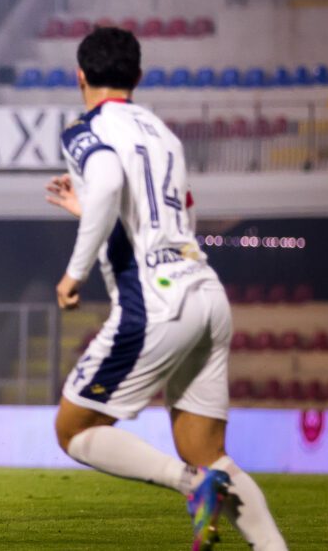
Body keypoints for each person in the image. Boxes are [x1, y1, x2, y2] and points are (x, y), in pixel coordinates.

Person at [46, 27, 286, 550]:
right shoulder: (164, 134)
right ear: (138, 76)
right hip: (205, 290)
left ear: (80, 76)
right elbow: (177, 215)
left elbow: (109, 181)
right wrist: (90, 210)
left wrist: (74, 273)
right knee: (208, 453)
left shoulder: (84, 129)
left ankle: (192, 485)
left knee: (72, 430)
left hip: (156, 300)